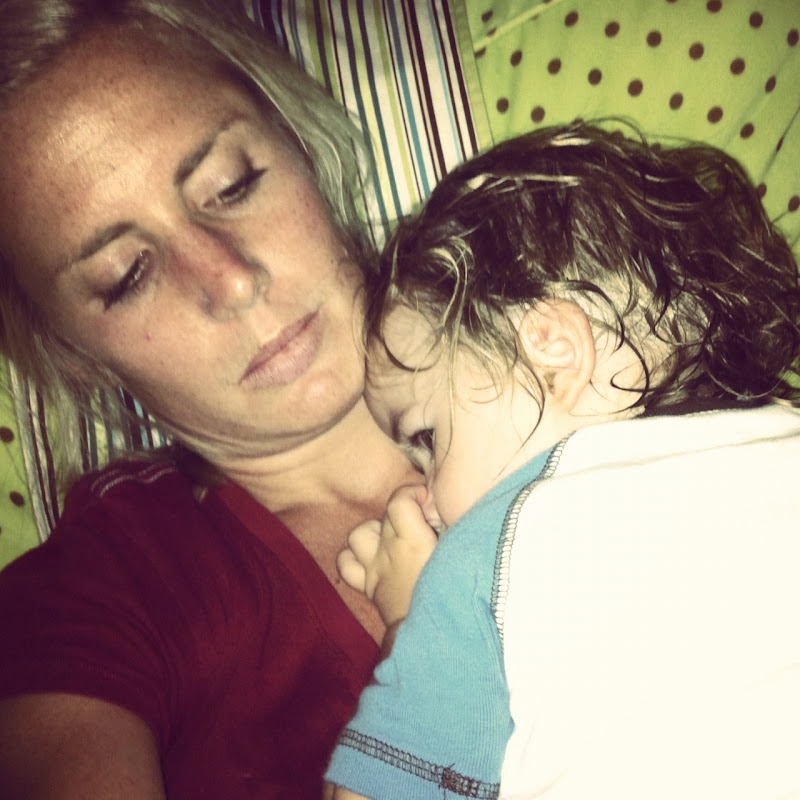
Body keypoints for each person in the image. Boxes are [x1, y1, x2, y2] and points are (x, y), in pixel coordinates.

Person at [0, 1, 422, 798]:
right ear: (76, 355)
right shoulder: (101, 600)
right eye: (127, 276)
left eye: (232, 186)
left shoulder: (592, 324)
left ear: (299, 145)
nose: (230, 280)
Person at [324, 123, 800, 799]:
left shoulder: (497, 544)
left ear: (552, 355)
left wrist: (409, 618)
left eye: (427, 438)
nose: (421, 495)